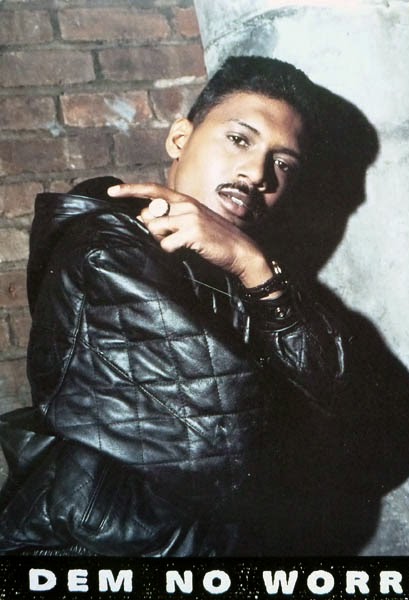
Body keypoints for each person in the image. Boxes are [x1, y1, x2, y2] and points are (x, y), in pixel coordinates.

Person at [0, 56, 349, 556]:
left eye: (283, 163)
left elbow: (338, 400)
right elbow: (244, 454)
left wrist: (253, 267)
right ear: (180, 139)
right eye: (239, 139)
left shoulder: (238, 266)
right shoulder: (107, 251)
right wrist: (248, 264)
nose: (257, 174)